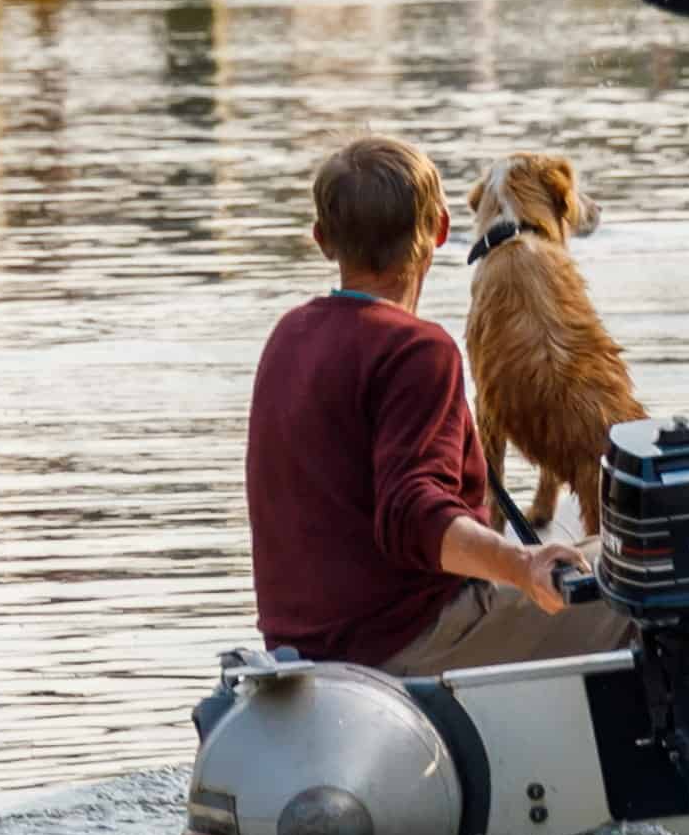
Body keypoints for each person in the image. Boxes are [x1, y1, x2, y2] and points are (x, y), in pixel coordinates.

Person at [249, 132, 601, 674]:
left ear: (322, 239)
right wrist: (523, 561)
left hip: (308, 647)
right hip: (406, 641)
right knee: (656, 574)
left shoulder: (288, 335)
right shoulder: (418, 349)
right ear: (440, 230)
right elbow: (414, 511)